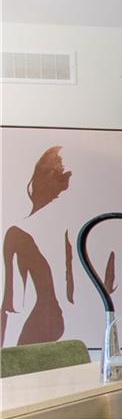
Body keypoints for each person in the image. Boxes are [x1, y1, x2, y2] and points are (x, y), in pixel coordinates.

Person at [1, 146, 73, 345]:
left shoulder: (18, 234)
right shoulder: (69, 230)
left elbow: (15, 305)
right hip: (53, 323)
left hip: (34, 328)